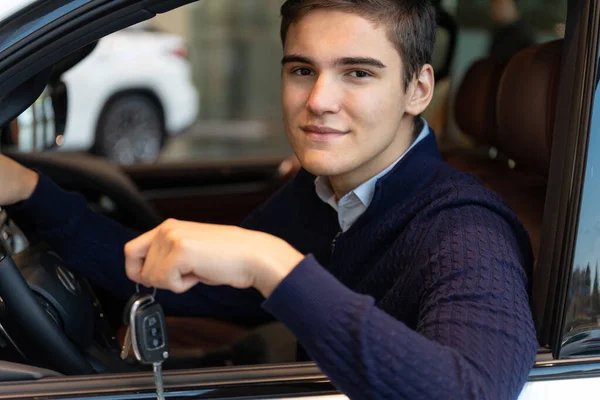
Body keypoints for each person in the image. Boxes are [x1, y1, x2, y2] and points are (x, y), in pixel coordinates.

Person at [1, 0, 538, 398]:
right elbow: (185, 282)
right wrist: (29, 191)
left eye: (357, 73)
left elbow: (472, 392)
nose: (319, 101)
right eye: (302, 70)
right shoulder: (325, 192)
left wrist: (270, 263)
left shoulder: (464, 227)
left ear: (418, 89)